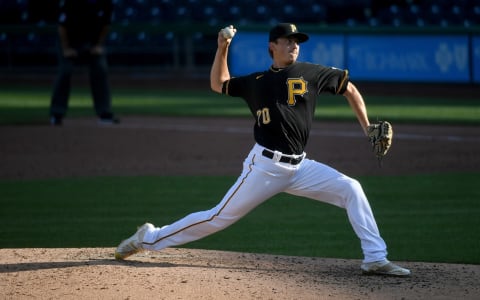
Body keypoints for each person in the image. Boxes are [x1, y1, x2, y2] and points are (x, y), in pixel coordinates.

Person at [115, 23, 411, 277]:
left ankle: (375, 258)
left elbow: (350, 89)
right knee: (217, 217)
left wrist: (367, 126)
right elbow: (218, 84)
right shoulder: (257, 82)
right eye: (289, 41)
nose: (295, 45)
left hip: (300, 167)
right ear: (273, 46)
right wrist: (222, 47)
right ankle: (148, 238)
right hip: (265, 167)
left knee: (351, 189)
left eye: (298, 42)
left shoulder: (313, 72)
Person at [49, 0, 118, 125]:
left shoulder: (106, 3)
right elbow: (62, 26)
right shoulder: (72, 2)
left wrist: (98, 45)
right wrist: (66, 48)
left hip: (91, 42)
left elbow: (106, 25)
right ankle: (56, 113)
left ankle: (104, 112)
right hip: (70, 41)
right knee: (66, 70)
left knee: (100, 68)